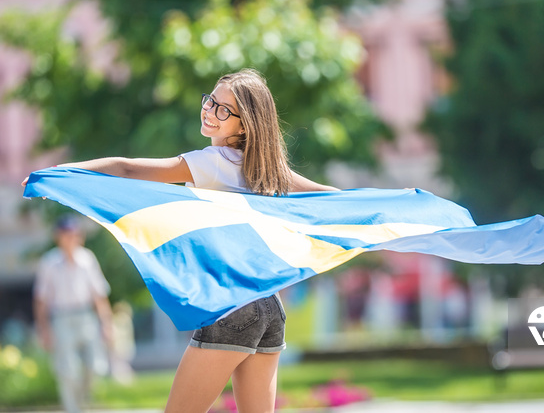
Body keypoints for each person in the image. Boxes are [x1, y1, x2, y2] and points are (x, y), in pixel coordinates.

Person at [26, 69, 338, 413]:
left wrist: (59, 175)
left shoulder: (214, 161)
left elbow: (128, 169)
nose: (210, 111)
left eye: (224, 110)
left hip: (233, 306)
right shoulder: (271, 169)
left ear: (245, 125)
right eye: (211, 101)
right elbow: (334, 198)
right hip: (270, 308)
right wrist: (399, 204)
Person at [33, 215, 113, 413]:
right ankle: (72, 409)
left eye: (74, 234)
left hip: (86, 317)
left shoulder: (87, 259)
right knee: (67, 370)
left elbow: (99, 296)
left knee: (95, 367)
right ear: (58, 237)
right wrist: (43, 329)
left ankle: (81, 401)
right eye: (66, 234)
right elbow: (41, 300)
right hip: (61, 318)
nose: (70, 238)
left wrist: (107, 325)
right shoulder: (48, 262)